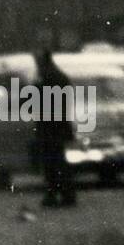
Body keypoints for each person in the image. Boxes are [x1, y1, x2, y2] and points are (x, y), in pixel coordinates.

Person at [32, 48, 77, 208]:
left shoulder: (44, 77)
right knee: (60, 161)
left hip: (48, 126)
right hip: (60, 124)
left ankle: (54, 194)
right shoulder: (61, 76)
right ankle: (67, 194)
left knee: (51, 163)